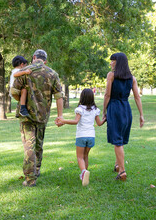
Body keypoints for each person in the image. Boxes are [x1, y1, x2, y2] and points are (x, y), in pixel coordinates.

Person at [11, 49, 64, 187]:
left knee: (29, 145)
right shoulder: (52, 74)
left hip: (26, 115)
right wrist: (60, 116)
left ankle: (30, 178)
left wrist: (23, 101)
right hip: (42, 115)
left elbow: (14, 92)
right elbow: (59, 97)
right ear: (45, 60)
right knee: (39, 144)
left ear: (34, 57)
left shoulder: (24, 71)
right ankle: (37, 170)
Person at [102, 52, 144, 181]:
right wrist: (141, 115)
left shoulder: (111, 76)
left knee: (117, 141)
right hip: (126, 109)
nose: (110, 63)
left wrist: (104, 111)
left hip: (115, 108)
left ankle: (122, 171)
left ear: (118, 62)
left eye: (112, 60)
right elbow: (137, 97)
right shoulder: (132, 78)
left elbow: (107, 95)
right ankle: (117, 165)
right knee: (120, 139)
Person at [56, 88, 105, 186]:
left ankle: (83, 172)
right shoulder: (95, 110)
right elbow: (99, 123)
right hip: (91, 137)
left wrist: (63, 121)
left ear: (82, 97)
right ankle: (84, 173)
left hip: (81, 136)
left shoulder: (80, 109)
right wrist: (106, 118)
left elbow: (75, 122)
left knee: (79, 157)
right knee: (85, 156)